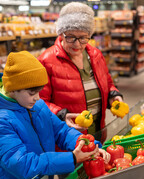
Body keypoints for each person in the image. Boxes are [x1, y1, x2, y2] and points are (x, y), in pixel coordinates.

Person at [0, 51, 110, 179]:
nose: (37, 97)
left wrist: (88, 145)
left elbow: (61, 132)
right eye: (31, 92)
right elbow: (22, 164)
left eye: (39, 91)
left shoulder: (38, 105)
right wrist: (72, 158)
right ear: (13, 88)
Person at [38, 2, 123, 142]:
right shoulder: (46, 61)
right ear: (61, 33)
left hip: (97, 131)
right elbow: (38, 102)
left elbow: (107, 82)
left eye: (83, 37)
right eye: (71, 37)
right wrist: (60, 114)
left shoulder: (95, 55)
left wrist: (113, 95)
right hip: (67, 138)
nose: (77, 44)